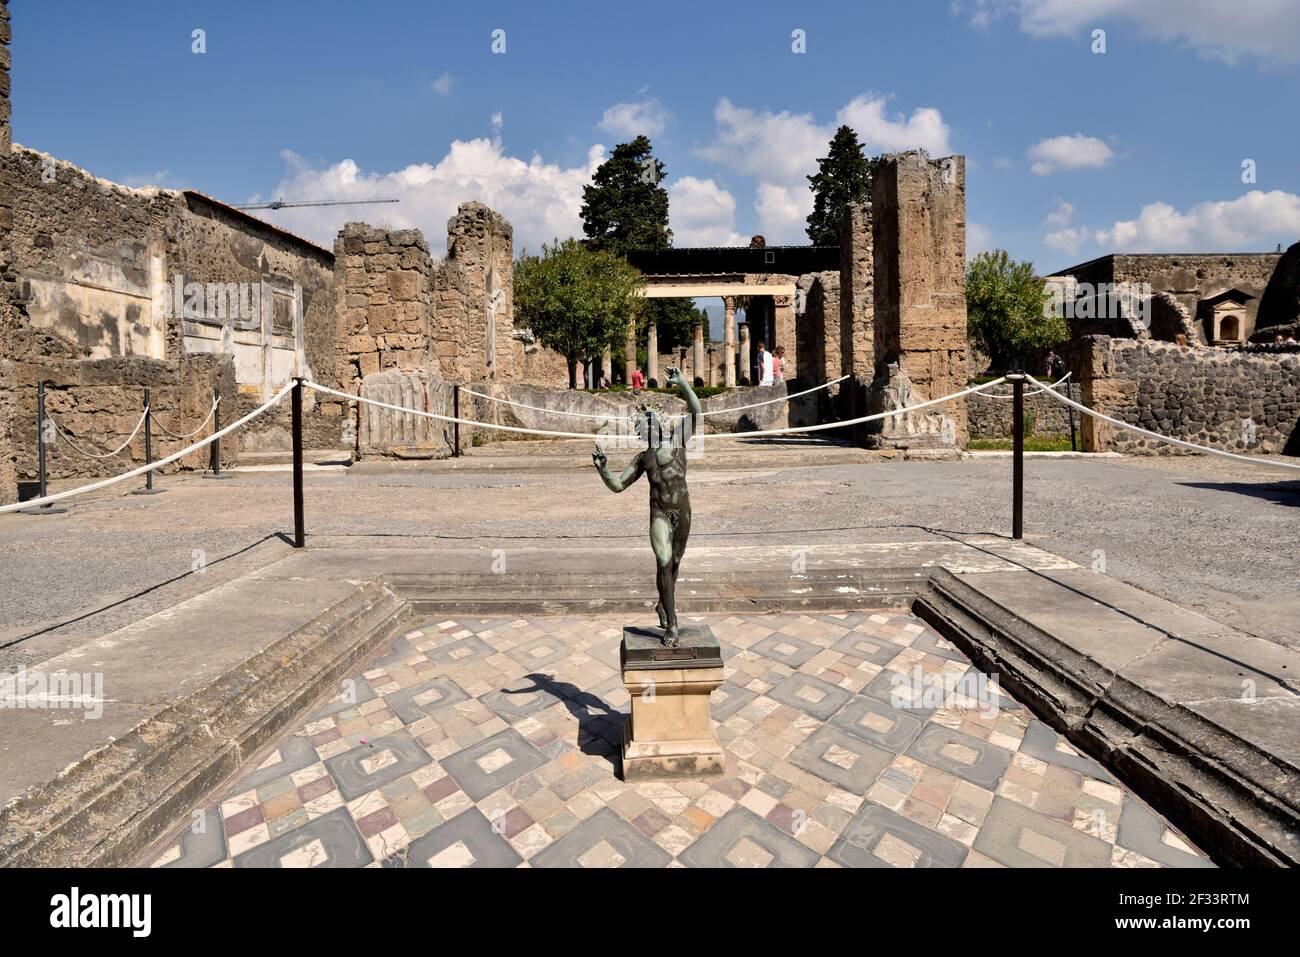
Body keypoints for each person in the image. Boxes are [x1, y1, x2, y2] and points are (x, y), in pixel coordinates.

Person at [591, 367, 700, 646]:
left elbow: (696, 411)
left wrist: (683, 384)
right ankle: (672, 625)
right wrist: (604, 469)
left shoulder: (678, 441)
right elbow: (618, 485)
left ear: (661, 423)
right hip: (660, 514)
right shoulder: (643, 458)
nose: (651, 425)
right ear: (642, 430)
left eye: (654, 419)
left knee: (675, 564)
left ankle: (663, 605)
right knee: (663, 562)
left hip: (684, 510)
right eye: (645, 422)